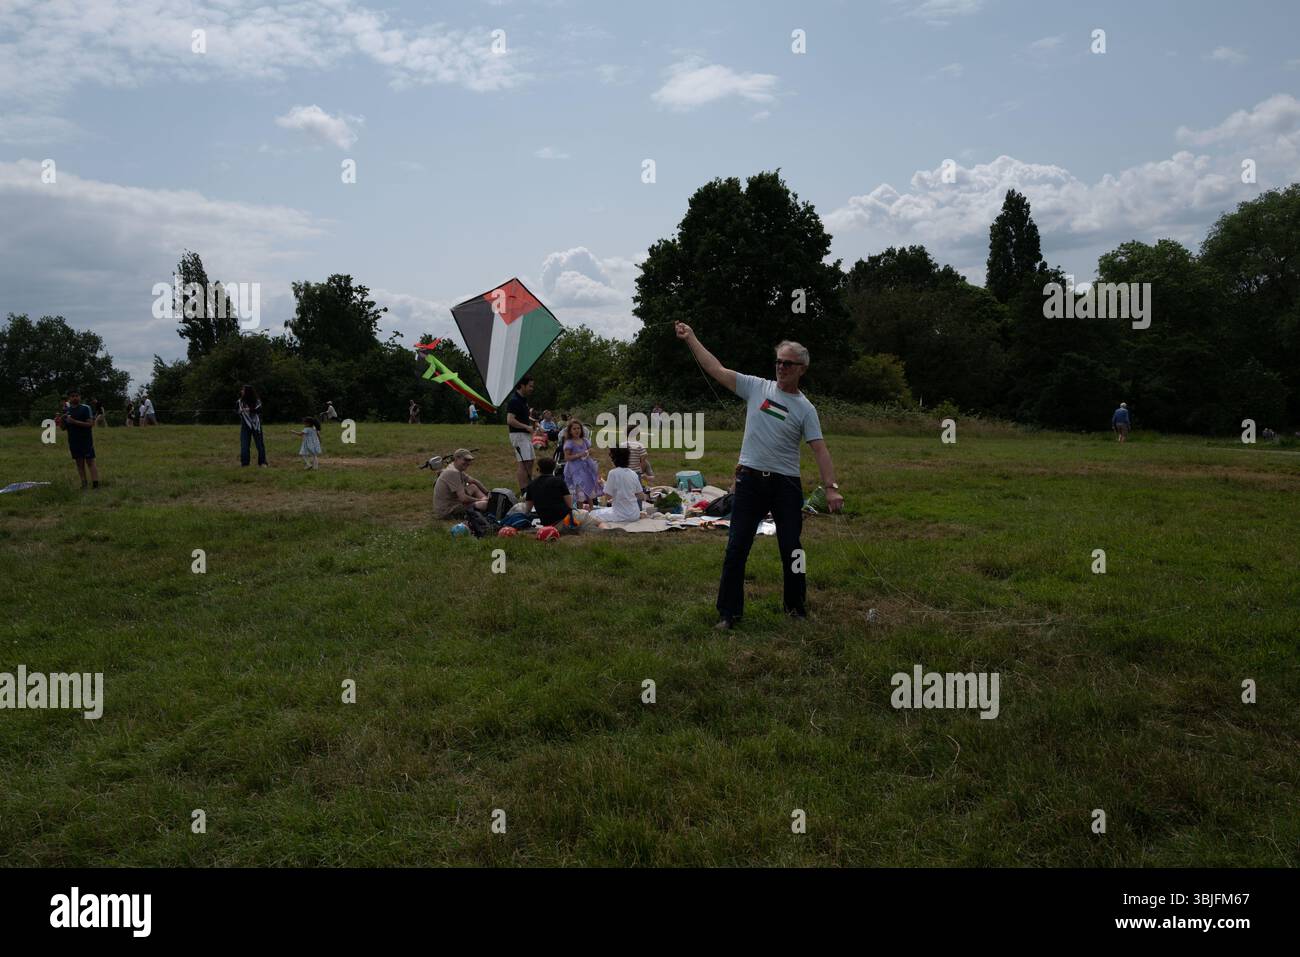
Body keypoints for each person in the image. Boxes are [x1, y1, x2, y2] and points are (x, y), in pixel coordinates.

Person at [677, 324, 843, 630]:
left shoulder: (806, 409)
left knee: (792, 548)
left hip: (786, 485)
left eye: (788, 363)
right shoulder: (757, 387)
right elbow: (716, 368)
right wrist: (692, 338)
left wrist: (830, 489)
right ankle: (729, 614)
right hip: (750, 482)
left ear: (801, 369)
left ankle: (795, 608)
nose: (781, 367)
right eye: (778, 361)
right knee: (736, 547)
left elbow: (820, 450)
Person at [589, 446, 645, 524]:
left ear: (614, 459)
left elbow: (608, 496)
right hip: (635, 513)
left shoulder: (613, 473)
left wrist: (603, 484)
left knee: (592, 514)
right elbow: (641, 496)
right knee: (605, 510)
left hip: (621, 514)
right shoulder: (633, 473)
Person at [433, 449, 491, 519]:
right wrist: (480, 500)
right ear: (457, 458)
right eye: (466, 460)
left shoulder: (455, 468)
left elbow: (474, 481)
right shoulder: (453, 473)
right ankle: (489, 506)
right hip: (448, 511)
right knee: (483, 504)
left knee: (473, 487)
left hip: (453, 502)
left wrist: (489, 493)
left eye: (469, 460)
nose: (468, 463)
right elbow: (463, 498)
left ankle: (489, 501)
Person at [62, 387, 100, 490]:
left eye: (77, 396)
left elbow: (90, 424)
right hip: (73, 440)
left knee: (90, 461)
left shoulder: (85, 408)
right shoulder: (67, 410)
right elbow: (64, 427)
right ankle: (84, 484)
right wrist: (62, 420)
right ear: (69, 398)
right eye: (72, 396)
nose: (75, 398)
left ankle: (95, 484)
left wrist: (74, 422)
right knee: (79, 463)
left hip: (86, 440)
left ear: (80, 397)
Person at [561, 418, 602, 507]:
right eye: (574, 429)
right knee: (580, 489)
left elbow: (589, 452)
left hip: (586, 467)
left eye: (578, 428)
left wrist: (590, 452)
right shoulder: (569, 443)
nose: (577, 431)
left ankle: (591, 508)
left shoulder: (584, 440)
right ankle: (580, 510)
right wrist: (579, 455)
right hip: (575, 469)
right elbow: (567, 457)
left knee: (588, 486)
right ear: (570, 431)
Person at [523, 456, 574, 527]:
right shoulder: (559, 481)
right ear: (554, 468)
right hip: (563, 519)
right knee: (584, 514)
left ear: (539, 469)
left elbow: (528, 509)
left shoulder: (532, 484)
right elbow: (569, 504)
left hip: (545, 521)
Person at [506, 375, 536, 493]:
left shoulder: (523, 400)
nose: (531, 388)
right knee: (524, 463)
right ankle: (524, 491)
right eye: (530, 386)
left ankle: (529, 487)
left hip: (525, 435)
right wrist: (526, 427)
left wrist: (534, 422)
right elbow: (510, 420)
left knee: (530, 461)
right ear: (522, 385)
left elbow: (522, 415)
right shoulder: (514, 401)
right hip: (518, 435)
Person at [238, 384, 268, 467]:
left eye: (243, 390)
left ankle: (262, 462)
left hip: (256, 425)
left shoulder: (256, 400)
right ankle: (245, 463)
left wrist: (249, 409)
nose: (241, 391)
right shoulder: (240, 401)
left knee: (260, 445)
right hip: (245, 425)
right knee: (244, 445)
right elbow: (239, 410)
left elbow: (259, 410)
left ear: (247, 392)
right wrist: (241, 411)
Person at [625, 422, 655, 487]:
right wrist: (641, 472)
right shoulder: (640, 445)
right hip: (636, 473)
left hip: (623, 473)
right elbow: (643, 460)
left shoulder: (622, 445)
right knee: (638, 490)